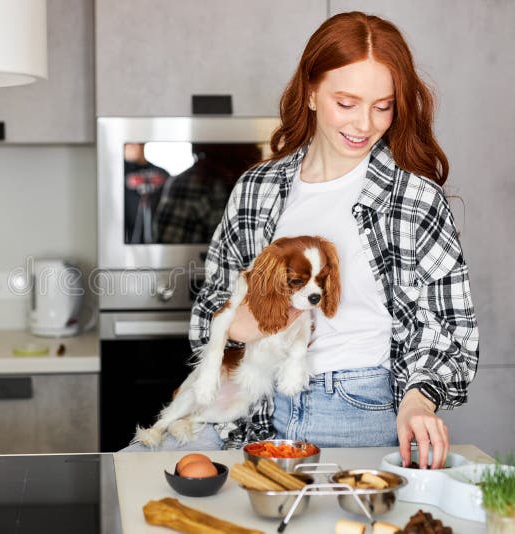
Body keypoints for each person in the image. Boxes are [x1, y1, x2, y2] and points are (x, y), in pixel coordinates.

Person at [123, 11, 479, 471]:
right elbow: (211, 298)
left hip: (358, 409)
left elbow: (451, 329)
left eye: (382, 106)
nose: (365, 124)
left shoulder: (413, 199)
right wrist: (237, 324)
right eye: (346, 103)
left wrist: (418, 400)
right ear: (311, 93)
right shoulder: (259, 187)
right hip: (253, 401)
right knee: (133, 476)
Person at [123, 143, 170, 244]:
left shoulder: (162, 173)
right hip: (128, 241)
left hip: (159, 239)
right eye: (127, 144)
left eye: (134, 143)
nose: (131, 146)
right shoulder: (120, 171)